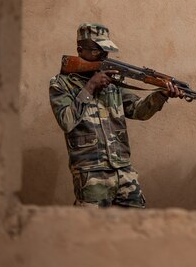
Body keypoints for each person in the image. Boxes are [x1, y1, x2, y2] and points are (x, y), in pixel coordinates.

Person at [49, 23, 182, 208]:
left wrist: (161, 94)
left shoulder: (112, 82)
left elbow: (137, 110)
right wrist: (90, 87)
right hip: (91, 175)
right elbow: (66, 121)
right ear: (80, 50)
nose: (104, 55)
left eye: (106, 50)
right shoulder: (61, 84)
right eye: (98, 50)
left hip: (124, 171)